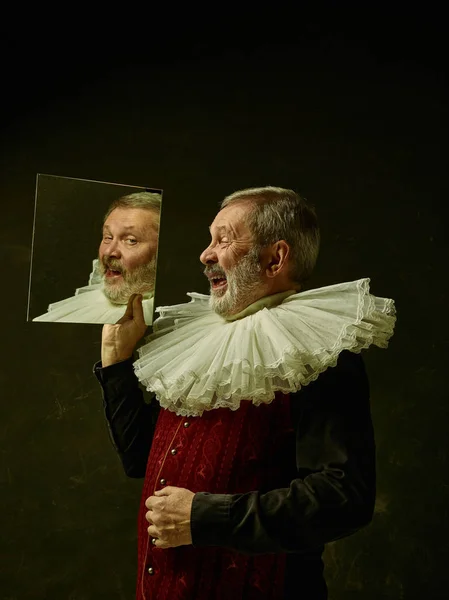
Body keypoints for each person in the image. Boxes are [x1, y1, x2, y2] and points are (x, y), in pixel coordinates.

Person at [94, 186, 396, 599]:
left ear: (275, 258)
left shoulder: (320, 352)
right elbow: (139, 459)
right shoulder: (194, 340)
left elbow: (344, 497)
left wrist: (205, 517)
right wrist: (117, 363)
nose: (206, 254)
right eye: (209, 239)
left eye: (224, 239)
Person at [33, 191, 161, 325]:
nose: (108, 251)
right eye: (108, 237)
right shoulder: (85, 307)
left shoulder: (160, 319)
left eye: (130, 240)